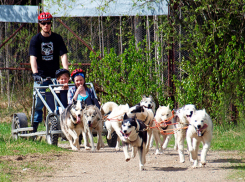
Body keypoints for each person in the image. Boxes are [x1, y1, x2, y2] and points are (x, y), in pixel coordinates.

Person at [29, 12, 69, 132]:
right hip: (41, 76)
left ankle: (61, 125)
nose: (46, 25)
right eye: (43, 23)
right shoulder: (36, 40)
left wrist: (66, 72)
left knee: (60, 101)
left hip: (55, 76)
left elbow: (63, 55)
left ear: (51, 23)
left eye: (48, 23)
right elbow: (33, 58)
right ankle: (34, 126)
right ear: (40, 24)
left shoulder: (57, 38)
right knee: (38, 102)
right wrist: (35, 74)